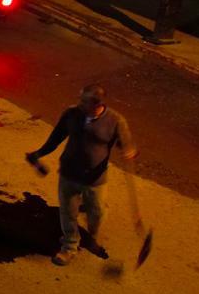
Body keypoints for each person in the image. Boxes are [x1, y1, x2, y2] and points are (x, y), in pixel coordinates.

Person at [26, 84, 138, 266]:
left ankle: (90, 234)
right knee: (68, 211)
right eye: (81, 100)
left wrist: (129, 151)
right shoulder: (72, 114)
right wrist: (38, 154)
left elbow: (126, 145)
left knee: (98, 212)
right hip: (69, 173)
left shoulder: (116, 121)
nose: (79, 104)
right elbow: (55, 138)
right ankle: (69, 246)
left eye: (84, 102)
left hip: (95, 179)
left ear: (97, 104)